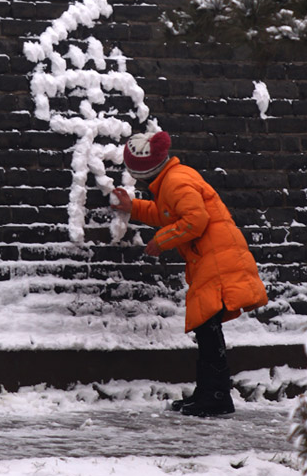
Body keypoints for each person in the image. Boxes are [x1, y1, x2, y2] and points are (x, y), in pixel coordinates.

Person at [111, 130, 268, 417]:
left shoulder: (176, 181)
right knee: (207, 329)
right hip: (213, 257)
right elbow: (168, 214)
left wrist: (162, 240)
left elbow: (196, 220)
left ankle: (216, 397)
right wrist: (132, 207)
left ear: (143, 171)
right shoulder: (173, 179)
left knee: (208, 330)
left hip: (217, 260)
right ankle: (209, 394)